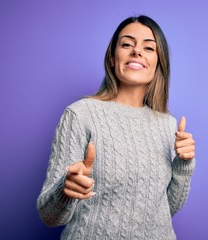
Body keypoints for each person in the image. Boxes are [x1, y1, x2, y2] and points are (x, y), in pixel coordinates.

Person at [37, 15, 196, 240]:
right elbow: (49, 216)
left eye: (148, 48)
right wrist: (65, 191)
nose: (136, 51)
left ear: (159, 63)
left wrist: (184, 165)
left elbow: (166, 209)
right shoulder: (80, 115)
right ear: (113, 58)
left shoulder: (169, 125)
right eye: (127, 44)